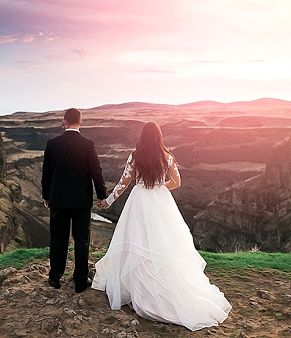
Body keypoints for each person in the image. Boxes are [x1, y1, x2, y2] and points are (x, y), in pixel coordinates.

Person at [92, 122, 232, 331]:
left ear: (142, 137)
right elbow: (177, 182)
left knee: (137, 241)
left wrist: (108, 201)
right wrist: (158, 189)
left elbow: (124, 183)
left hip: (138, 201)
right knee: (163, 243)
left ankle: (137, 289)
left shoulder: (134, 156)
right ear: (158, 137)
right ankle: (164, 291)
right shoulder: (167, 157)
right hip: (159, 200)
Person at [42, 108, 108, 293]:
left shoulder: (52, 143)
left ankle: (55, 277)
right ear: (81, 122)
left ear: (64, 121)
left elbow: (46, 172)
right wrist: (101, 195)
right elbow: (96, 171)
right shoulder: (88, 144)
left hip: (58, 199)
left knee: (58, 238)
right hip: (81, 201)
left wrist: (46, 195)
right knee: (81, 240)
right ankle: (80, 281)